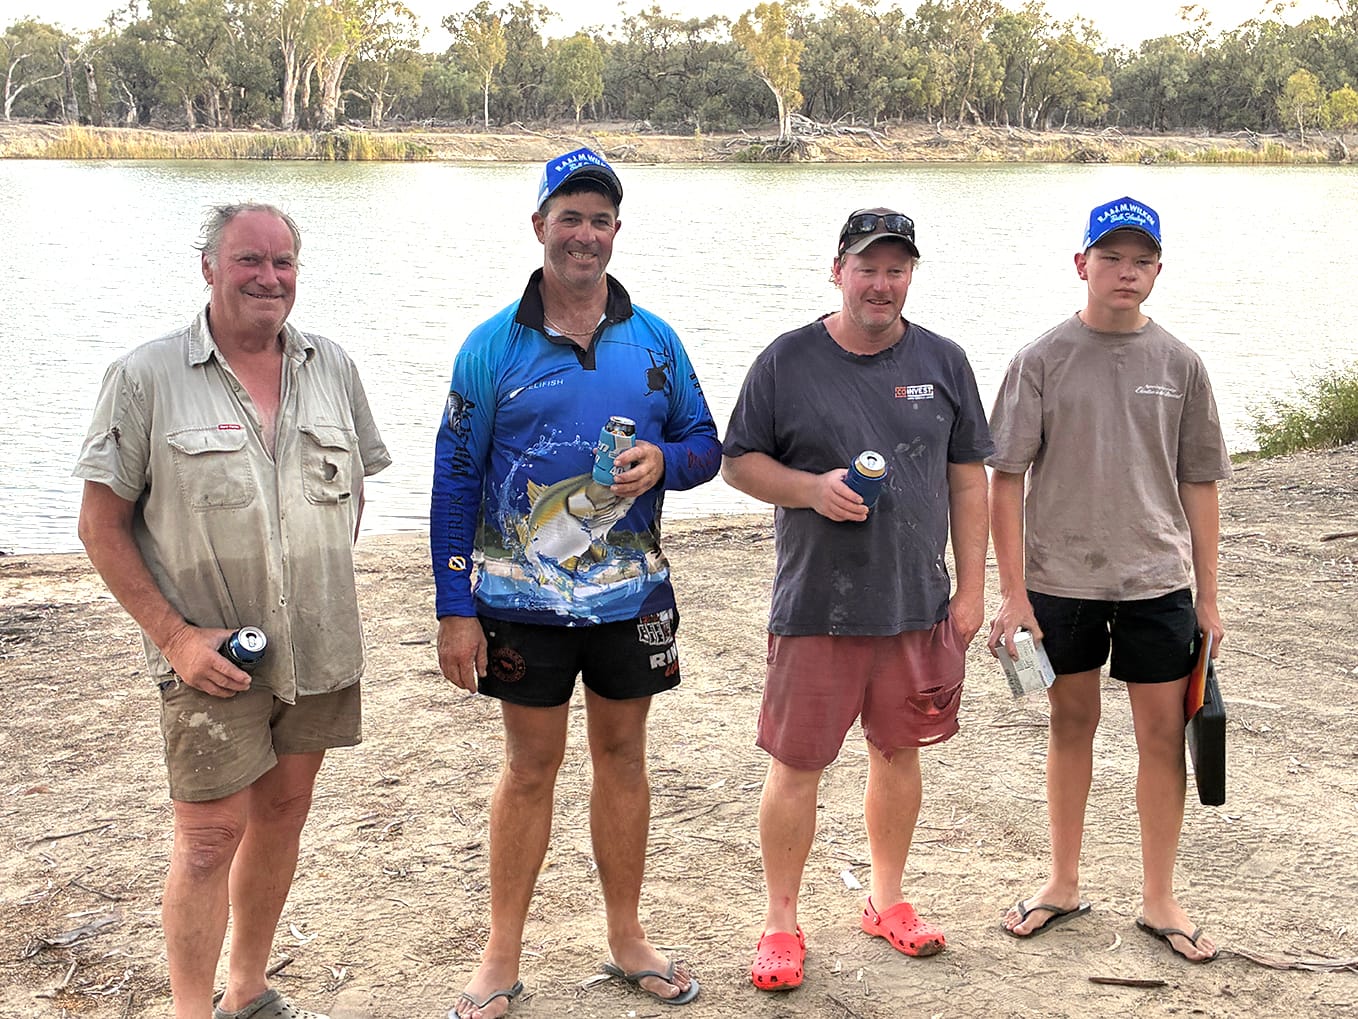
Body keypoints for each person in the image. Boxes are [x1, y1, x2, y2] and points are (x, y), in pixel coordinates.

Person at [74, 203, 390, 1019]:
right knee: (210, 838)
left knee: (283, 816)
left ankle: (246, 990)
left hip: (318, 647)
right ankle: (190, 1010)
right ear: (208, 268)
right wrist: (175, 638)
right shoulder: (147, 376)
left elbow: (349, 498)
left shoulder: (333, 367)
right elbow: (99, 525)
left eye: (284, 263)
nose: (269, 278)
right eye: (249, 260)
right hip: (207, 659)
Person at [430, 147, 719, 1019]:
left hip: (632, 596)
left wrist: (662, 460)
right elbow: (452, 479)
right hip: (519, 600)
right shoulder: (491, 346)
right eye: (570, 217)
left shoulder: (656, 342)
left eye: (600, 220)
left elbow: (709, 445)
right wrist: (455, 608)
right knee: (528, 769)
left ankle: (627, 935)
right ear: (539, 226)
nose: (585, 235)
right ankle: (501, 953)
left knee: (623, 758)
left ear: (616, 233)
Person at [721, 208, 993, 991]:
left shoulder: (943, 360)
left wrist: (972, 590)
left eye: (897, 268)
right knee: (796, 763)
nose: (882, 284)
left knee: (898, 752)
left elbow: (968, 475)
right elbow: (738, 464)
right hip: (816, 606)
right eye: (867, 267)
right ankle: (780, 922)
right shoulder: (787, 361)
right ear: (837, 270)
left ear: (911, 275)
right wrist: (811, 490)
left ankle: (886, 900)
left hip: (915, 603)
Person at [988, 197, 1230, 962]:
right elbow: (1005, 478)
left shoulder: (1181, 363)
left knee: (1163, 736)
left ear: (1157, 271)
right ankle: (1062, 880)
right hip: (1062, 578)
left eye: (1142, 261)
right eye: (1111, 257)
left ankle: (1160, 898)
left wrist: (1209, 596)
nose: (1126, 272)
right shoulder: (1041, 358)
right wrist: (1013, 590)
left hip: (1159, 581)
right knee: (1071, 724)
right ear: (1081, 263)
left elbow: (1200, 483)